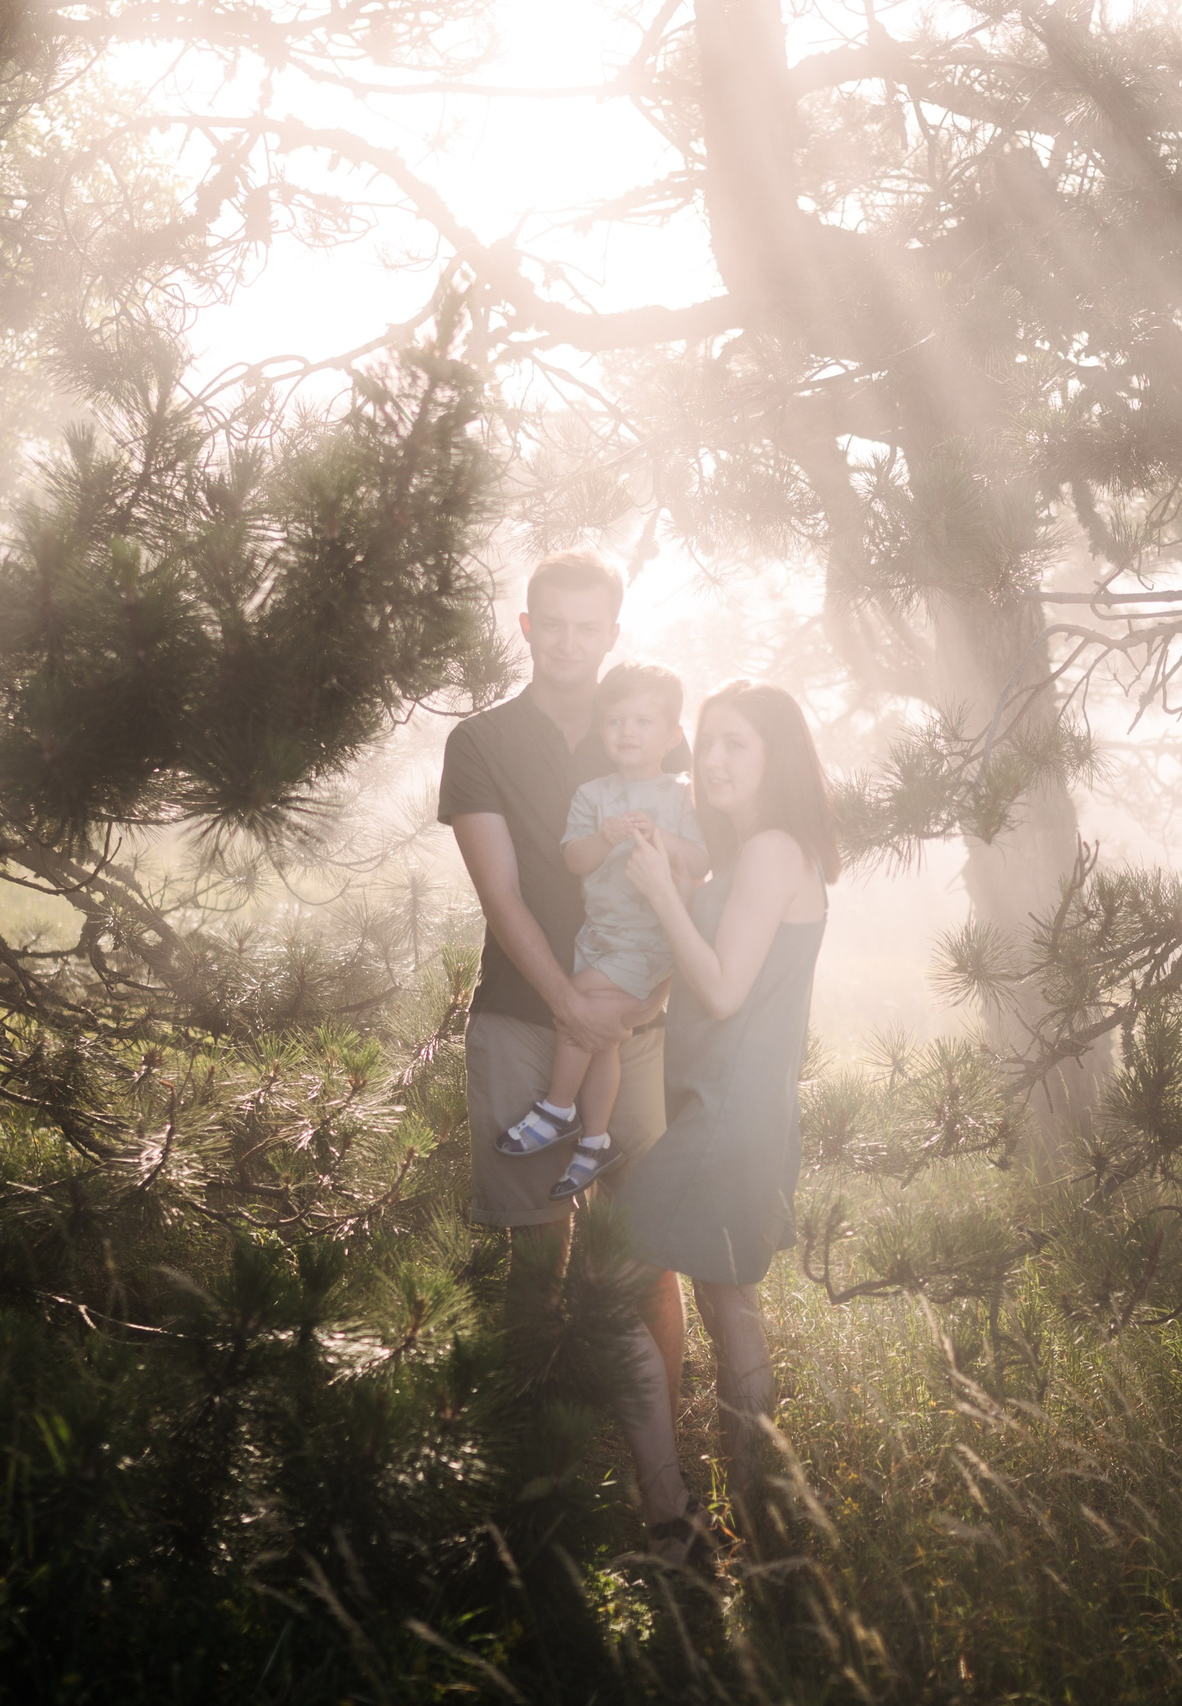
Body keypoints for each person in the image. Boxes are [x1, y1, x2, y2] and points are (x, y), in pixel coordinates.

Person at [603, 681, 836, 1566]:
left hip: (726, 1119)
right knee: (727, 1298)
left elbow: (724, 987)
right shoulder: (757, 855)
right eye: (707, 744)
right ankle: (761, 1527)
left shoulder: (775, 848)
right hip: (737, 1113)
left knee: (610, 1275)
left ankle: (672, 1520)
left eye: (737, 743)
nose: (715, 760)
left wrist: (663, 890)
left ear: (777, 757)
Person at [437, 552, 685, 1373]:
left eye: (589, 627)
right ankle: (531, 1465)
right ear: (527, 627)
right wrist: (568, 1005)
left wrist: (643, 1003)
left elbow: (688, 884)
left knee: (646, 1253)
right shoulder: (481, 743)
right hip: (519, 1012)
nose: (570, 643)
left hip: (637, 1020)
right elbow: (501, 895)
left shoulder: (649, 738)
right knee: (537, 1260)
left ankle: (666, 1469)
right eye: (555, 625)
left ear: (612, 634)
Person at [496, 662, 709, 1199]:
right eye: (615, 722)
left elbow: (702, 861)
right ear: (601, 731)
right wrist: (606, 836)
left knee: (583, 1008)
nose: (628, 732)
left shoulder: (683, 796)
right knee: (602, 1039)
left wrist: (659, 834)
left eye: (643, 721)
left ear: (673, 735)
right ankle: (594, 1142)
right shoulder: (593, 795)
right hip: (600, 937)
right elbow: (574, 859)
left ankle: (557, 1109)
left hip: (651, 940)